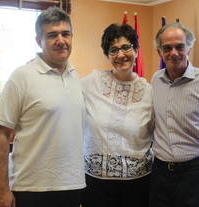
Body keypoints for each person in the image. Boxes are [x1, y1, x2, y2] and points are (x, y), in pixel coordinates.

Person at [0, 7, 85, 207]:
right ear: (38, 41)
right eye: (52, 35)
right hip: (31, 189)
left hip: (72, 186)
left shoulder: (76, 77)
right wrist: (1, 189)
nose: (61, 40)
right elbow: (1, 135)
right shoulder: (21, 77)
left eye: (65, 34)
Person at [149, 22, 199, 207]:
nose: (174, 53)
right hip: (160, 173)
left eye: (180, 46)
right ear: (159, 51)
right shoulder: (155, 80)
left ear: (189, 48)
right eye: (167, 48)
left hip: (195, 173)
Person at [81, 23, 153, 207]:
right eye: (113, 50)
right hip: (96, 184)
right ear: (107, 55)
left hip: (137, 185)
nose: (120, 55)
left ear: (136, 50)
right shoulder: (91, 83)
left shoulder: (150, 92)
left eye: (126, 47)